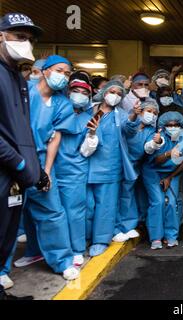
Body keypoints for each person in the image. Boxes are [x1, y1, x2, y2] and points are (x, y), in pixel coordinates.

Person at [15, 55, 80, 281]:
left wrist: (46, 171)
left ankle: (61, 261)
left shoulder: (62, 103)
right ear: (44, 70)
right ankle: (3, 269)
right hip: (11, 157)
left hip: (40, 158)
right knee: (8, 214)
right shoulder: (23, 92)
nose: (63, 76)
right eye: (59, 70)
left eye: (67, 73)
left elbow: (55, 138)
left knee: (52, 212)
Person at [0, 12, 43, 300]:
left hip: (17, 175)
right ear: (0, 36)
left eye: (28, 39)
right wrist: (17, 162)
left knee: (5, 239)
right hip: (5, 168)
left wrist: (34, 167)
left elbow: (23, 129)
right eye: (18, 36)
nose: (25, 43)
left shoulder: (18, 78)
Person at [80, 80, 137, 257]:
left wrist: (133, 115)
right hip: (86, 165)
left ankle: (100, 239)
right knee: (87, 205)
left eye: (119, 94)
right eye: (112, 91)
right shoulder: (88, 110)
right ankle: (85, 237)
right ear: (104, 92)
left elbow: (129, 130)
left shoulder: (120, 115)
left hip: (110, 168)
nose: (115, 96)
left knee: (106, 206)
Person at [54, 79, 93, 267]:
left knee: (74, 212)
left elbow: (87, 150)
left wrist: (92, 136)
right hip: (51, 167)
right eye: (76, 91)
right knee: (53, 213)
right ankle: (55, 249)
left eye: (85, 93)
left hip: (75, 170)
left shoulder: (89, 118)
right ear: (67, 92)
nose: (80, 95)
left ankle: (77, 249)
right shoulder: (58, 111)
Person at [142, 111, 183, 250]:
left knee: (172, 203)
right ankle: (156, 237)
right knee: (158, 202)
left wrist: (169, 178)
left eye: (176, 125)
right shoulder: (159, 138)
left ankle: (171, 236)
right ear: (163, 126)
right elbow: (156, 161)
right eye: (169, 125)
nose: (173, 127)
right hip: (152, 173)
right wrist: (169, 154)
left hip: (171, 174)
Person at [115, 99, 161, 242]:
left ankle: (127, 226)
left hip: (133, 165)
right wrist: (133, 116)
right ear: (140, 111)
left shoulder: (150, 131)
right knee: (112, 197)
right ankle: (114, 228)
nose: (151, 115)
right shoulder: (130, 123)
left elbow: (147, 148)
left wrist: (156, 142)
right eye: (149, 111)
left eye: (154, 113)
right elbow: (127, 129)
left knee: (127, 195)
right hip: (117, 162)